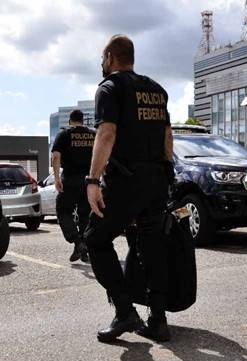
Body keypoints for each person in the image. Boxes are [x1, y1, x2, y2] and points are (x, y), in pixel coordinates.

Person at [84, 34, 174, 343]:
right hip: (156, 180)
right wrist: (167, 172)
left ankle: (124, 312)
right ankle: (159, 321)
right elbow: (167, 136)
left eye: (102, 58)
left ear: (109, 57)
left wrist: (93, 181)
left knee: (95, 239)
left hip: (126, 181)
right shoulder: (156, 90)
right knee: (152, 247)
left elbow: (106, 133)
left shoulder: (110, 88)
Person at [51, 109, 95, 262]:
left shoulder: (64, 135)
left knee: (63, 211)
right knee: (85, 215)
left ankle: (77, 242)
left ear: (70, 121)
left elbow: (56, 157)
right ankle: (84, 249)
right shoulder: (93, 134)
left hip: (69, 180)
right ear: (83, 120)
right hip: (88, 180)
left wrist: (57, 178)